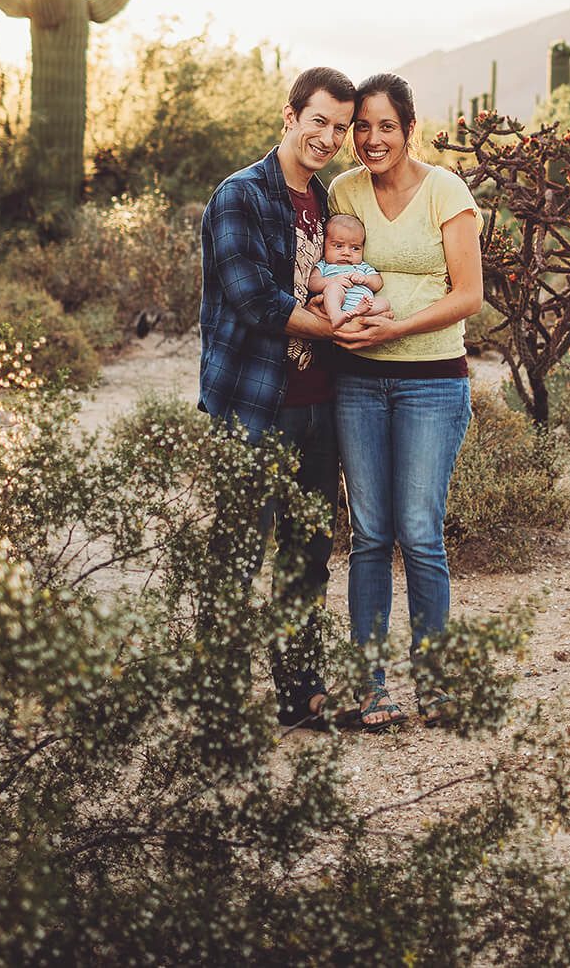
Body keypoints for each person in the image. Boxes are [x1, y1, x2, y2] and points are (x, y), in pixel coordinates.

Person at [198, 64, 358, 729]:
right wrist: (327, 323)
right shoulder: (239, 195)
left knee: (307, 557)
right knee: (236, 557)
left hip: (320, 406)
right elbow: (251, 295)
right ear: (290, 117)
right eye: (318, 120)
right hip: (253, 405)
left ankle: (300, 694)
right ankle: (218, 706)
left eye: (340, 128)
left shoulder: (326, 205)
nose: (327, 136)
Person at [327, 72, 483, 730]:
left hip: (431, 381)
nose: (370, 138)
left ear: (408, 128)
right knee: (369, 535)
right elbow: (327, 269)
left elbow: (467, 293)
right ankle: (371, 689)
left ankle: (439, 687)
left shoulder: (447, 190)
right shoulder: (344, 191)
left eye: (385, 125)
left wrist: (397, 327)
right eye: (361, 126)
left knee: (419, 532)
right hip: (358, 383)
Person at [307, 213, 391, 326]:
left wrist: (365, 279)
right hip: (336, 305)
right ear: (324, 245)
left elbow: (378, 283)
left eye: (355, 248)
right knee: (333, 289)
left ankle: (364, 313)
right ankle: (336, 316)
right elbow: (312, 283)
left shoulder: (362, 266)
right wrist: (332, 281)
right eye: (338, 246)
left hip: (363, 304)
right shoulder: (324, 265)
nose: (346, 253)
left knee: (384, 302)